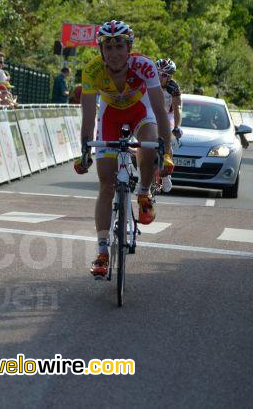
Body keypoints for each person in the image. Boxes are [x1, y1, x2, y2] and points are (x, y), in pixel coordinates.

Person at [74, 20, 174, 278]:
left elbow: (160, 112)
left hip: (140, 111)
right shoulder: (92, 71)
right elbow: (87, 116)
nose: (114, 53)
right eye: (108, 47)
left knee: (149, 145)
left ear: (129, 47)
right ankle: (103, 251)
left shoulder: (144, 65)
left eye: (119, 46)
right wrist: (85, 151)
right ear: (101, 50)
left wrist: (167, 151)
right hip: (110, 116)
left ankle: (143, 192)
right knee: (106, 184)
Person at [157, 58, 183, 192]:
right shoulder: (150, 83)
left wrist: (176, 127)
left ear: (170, 77)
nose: (160, 77)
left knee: (166, 133)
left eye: (164, 75)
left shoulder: (173, 87)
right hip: (153, 113)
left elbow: (177, 108)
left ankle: (166, 174)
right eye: (158, 73)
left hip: (168, 114)